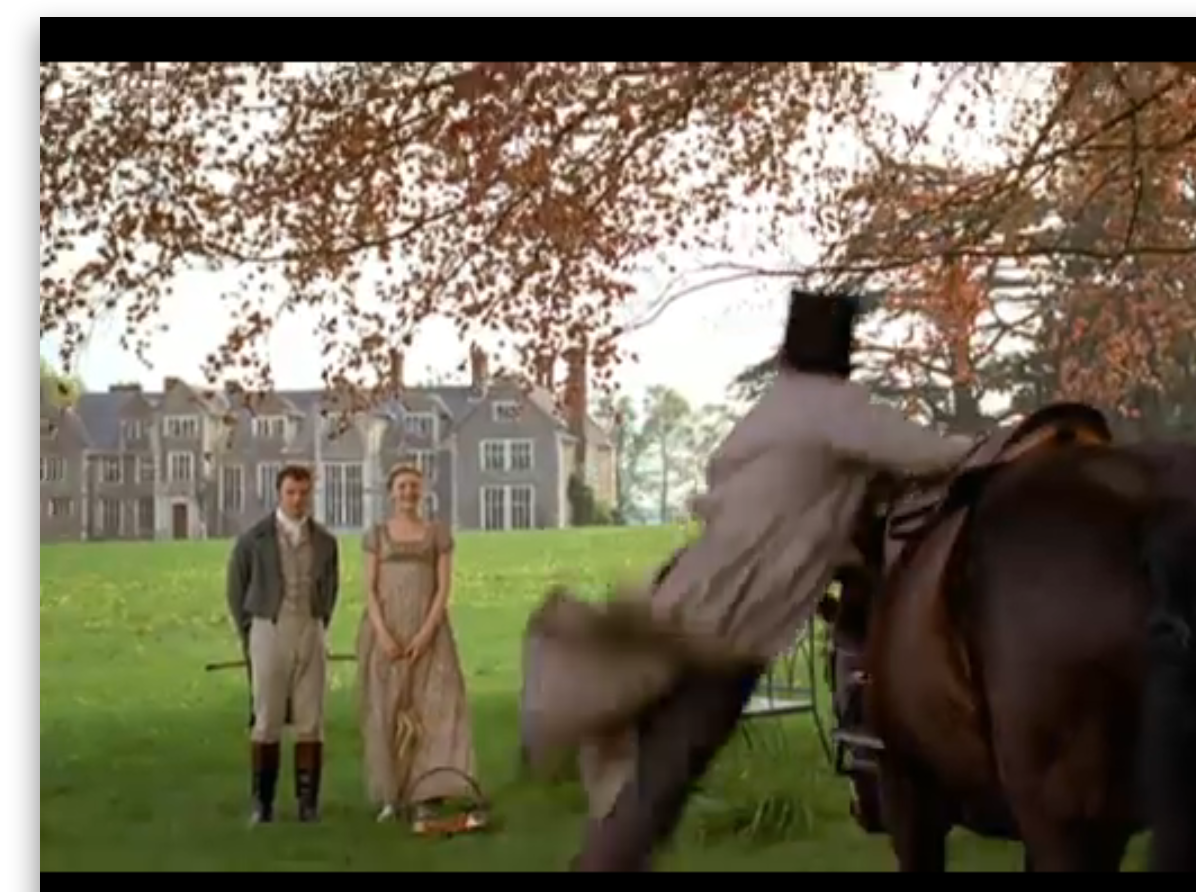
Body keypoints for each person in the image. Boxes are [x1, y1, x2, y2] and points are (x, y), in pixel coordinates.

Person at [521, 289, 980, 871]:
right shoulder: (832, 407)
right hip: (728, 622)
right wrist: (998, 446)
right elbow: (930, 455)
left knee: (650, 767)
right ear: (841, 353)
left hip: (684, 590)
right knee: (665, 774)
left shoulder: (774, 407)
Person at [356, 464, 489, 829]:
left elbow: (443, 589)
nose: (408, 493)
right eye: (401, 486)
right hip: (386, 633)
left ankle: (426, 795)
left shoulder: (437, 534)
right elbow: (369, 589)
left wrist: (425, 633)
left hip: (429, 632)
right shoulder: (376, 536)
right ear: (391, 492)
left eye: (414, 486)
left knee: (432, 711)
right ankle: (390, 795)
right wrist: (383, 634)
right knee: (386, 711)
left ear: (423, 490)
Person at [226, 464, 340, 825]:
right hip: (268, 627)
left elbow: (331, 587)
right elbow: (236, 588)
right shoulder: (254, 539)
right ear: (279, 493)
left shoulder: (325, 541)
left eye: (304, 493)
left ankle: (308, 805)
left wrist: (319, 621)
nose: (297, 499)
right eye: (291, 492)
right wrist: (252, 631)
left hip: (310, 627)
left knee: (311, 718)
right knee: (267, 717)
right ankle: (263, 805)